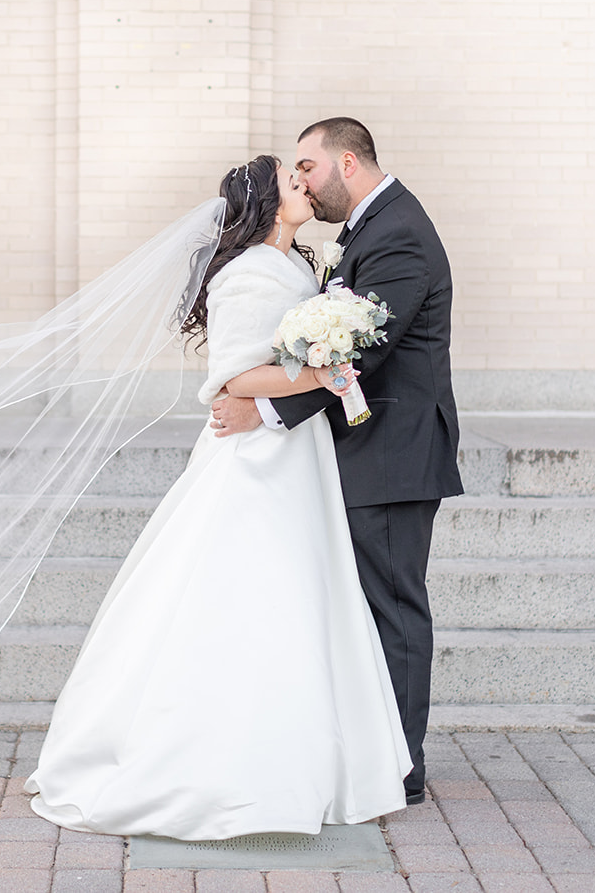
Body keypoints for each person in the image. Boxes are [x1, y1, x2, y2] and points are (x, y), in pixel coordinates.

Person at [24, 154, 412, 840]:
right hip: (254, 467)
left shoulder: (299, 266)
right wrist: (323, 371)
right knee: (251, 599)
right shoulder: (246, 274)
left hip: (298, 458)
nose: (306, 187)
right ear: (267, 205)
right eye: (293, 184)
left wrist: (324, 361)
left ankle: (314, 762)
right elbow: (237, 377)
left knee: (304, 598)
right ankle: (221, 766)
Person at [209, 118, 464, 807]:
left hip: (394, 455)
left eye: (308, 167)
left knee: (394, 610)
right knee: (366, 611)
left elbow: (360, 350)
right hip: (365, 453)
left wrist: (259, 410)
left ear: (346, 163)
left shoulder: (399, 233)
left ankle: (402, 769)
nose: (304, 183)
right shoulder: (371, 231)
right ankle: (371, 751)